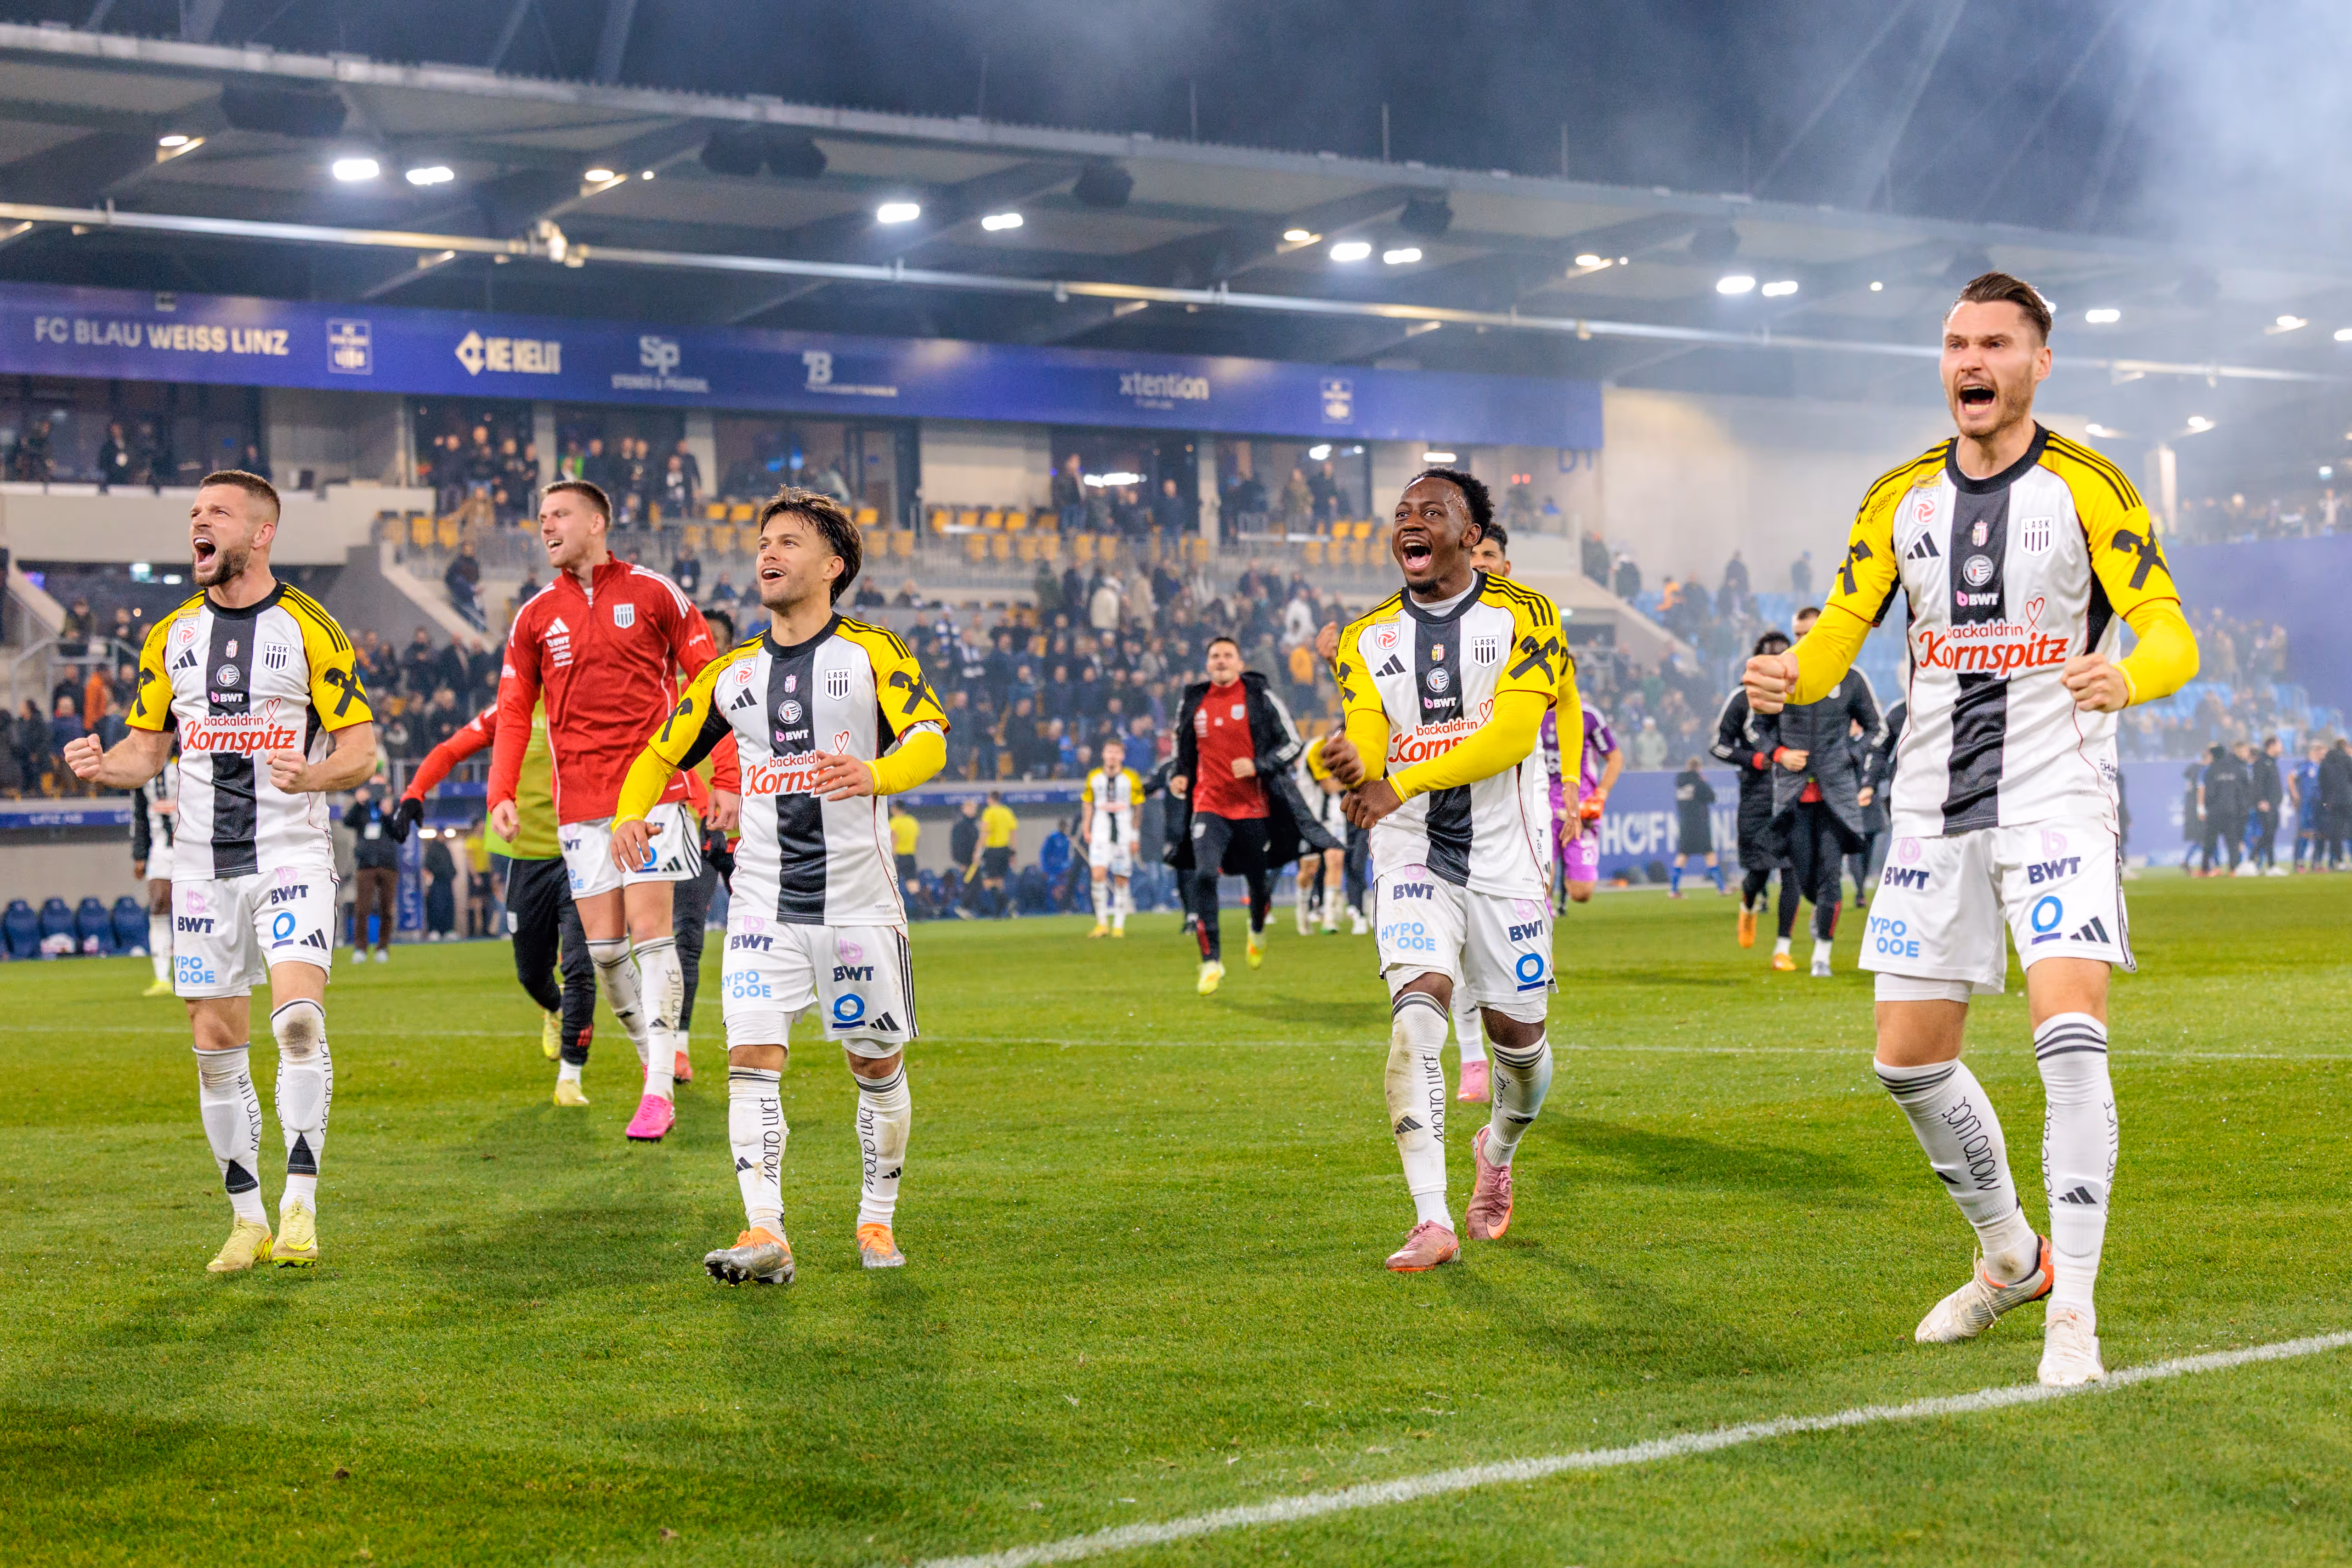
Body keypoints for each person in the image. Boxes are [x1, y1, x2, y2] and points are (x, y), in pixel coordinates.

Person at [1742, 270, 2199, 1386]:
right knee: (1906, 1061)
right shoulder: (1898, 498)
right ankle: (2010, 1256)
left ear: (2039, 362)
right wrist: (1787, 675)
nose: (1972, 362)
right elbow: (1838, 634)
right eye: (1957, 344)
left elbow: (2171, 632)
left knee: (2069, 1038)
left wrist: (2129, 675)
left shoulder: (2090, 486)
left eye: (1995, 343)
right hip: (1932, 806)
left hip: (2056, 797)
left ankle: (2073, 1313)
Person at [610, 486, 948, 1284]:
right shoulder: (730, 674)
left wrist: (874, 771)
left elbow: (930, 739)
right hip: (762, 903)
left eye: (789, 542)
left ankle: (875, 1216)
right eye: (764, 542)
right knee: (751, 1060)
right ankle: (765, 1229)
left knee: (875, 1066)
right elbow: (660, 752)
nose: (768, 552)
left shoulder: (872, 652)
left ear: (833, 566)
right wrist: (630, 814)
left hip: (858, 905)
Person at [63, 469, 377, 1274]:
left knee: (297, 1022)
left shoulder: (311, 627)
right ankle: (247, 1217)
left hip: (291, 853)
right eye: (195, 512)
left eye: (219, 513)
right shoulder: (169, 636)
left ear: (261, 533)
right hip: (202, 863)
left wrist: (314, 775)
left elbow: (361, 750)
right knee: (214, 1043)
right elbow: (146, 751)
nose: (199, 524)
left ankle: (300, 1204)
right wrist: (102, 764)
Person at [1319, 467, 1565, 1273]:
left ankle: (1495, 1150)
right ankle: (1430, 1218)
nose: (1409, 523)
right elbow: (1368, 737)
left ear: (1470, 534)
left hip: (1504, 856)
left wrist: (1397, 781)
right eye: (1400, 513)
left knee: (1518, 1046)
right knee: (1415, 1016)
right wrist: (1350, 763)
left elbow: (1512, 736)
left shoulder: (1526, 614)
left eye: (1431, 511)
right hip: (1410, 850)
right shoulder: (1365, 637)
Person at [488, 478, 739, 1144]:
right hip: (580, 806)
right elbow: (513, 711)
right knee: (603, 952)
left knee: (652, 934)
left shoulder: (655, 593)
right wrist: (500, 791)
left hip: (654, 792)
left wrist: (726, 775)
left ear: (596, 522)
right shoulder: (535, 616)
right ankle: (651, 1055)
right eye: (541, 516)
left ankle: (657, 1090)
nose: (546, 526)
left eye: (559, 514)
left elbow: (710, 685)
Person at [395, 697, 599, 1098]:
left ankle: (570, 1077)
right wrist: (415, 790)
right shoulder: (510, 709)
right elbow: (451, 750)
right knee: (530, 973)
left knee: (579, 965)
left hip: (581, 853)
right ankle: (555, 1009)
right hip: (527, 858)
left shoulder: (584, 696)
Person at [1166, 636, 1333, 995]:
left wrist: (1258, 765)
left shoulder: (1259, 696)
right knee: (1204, 874)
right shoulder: (1193, 701)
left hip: (1253, 806)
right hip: (1209, 804)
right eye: (1215, 655)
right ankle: (1210, 961)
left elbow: (1292, 743)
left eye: (1228, 655)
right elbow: (1182, 748)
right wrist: (1179, 775)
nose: (1221, 660)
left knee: (1258, 883)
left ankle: (1256, 927)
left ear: (1240, 664)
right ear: (1207, 664)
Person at [1747, 606, 1882, 976]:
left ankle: (1821, 955)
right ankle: (1813, 918)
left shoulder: (1850, 678)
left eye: (1809, 634)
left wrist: (1848, 755)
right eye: (1797, 635)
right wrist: (1780, 754)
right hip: (1792, 796)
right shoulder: (1779, 679)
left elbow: (1878, 729)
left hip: (1835, 796)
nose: (1802, 641)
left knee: (1830, 876)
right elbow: (1755, 729)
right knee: (1799, 875)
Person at [1081, 736, 1143, 937]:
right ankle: (1102, 924)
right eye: (1109, 752)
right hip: (1101, 831)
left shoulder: (1132, 778)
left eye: (1116, 753)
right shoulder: (1094, 777)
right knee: (1097, 875)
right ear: (1103, 755)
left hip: (1124, 832)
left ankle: (1118, 925)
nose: (1112, 756)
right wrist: (1087, 828)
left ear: (1122, 756)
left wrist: (1135, 836)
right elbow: (1088, 803)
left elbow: (1138, 808)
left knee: (1121, 879)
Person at [130, 753, 180, 996]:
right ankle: (162, 978)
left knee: (194, 907)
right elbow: (139, 815)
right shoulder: (143, 774)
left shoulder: (186, 763)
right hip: (160, 847)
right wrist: (139, 855)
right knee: (159, 903)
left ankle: (193, 970)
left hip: (191, 845)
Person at [345, 782, 401, 960]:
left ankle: (383, 948)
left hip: (388, 864)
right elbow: (347, 822)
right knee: (362, 908)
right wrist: (357, 803)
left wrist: (389, 815)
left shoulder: (394, 807)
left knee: (387, 909)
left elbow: (399, 832)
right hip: (366, 864)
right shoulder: (363, 809)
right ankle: (360, 949)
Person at [1669, 757, 1724, 897]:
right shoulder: (1699, 782)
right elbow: (1712, 797)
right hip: (1700, 824)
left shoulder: (1680, 782)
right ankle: (1721, 888)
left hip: (1685, 824)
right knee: (1709, 854)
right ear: (1699, 768)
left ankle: (1673, 890)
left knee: (1682, 855)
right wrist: (1704, 782)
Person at [2196, 741, 2248, 878]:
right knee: (2232, 842)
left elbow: (2210, 793)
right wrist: (2240, 808)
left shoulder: (2211, 770)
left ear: (2213, 756)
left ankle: (2204, 870)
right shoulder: (2234, 769)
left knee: (2209, 842)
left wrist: (2206, 808)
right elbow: (2240, 790)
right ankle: (2233, 870)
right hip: (2231, 810)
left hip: (2215, 811)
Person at [979, 791, 1018, 917]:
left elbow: (985, 833)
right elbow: (1013, 833)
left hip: (992, 850)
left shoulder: (989, 812)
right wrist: (1013, 853)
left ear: (990, 799)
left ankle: (1006, 902)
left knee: (987, 883)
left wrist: (978, 851)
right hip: (1005, 850)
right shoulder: (1007, 812)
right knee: (1000, 882)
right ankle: (999, 913)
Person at [2290, 737, 2327, 870]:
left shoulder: (2323, 767)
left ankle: (2317, 863)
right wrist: (2295, 794)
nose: (2324, 754)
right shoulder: (2306, 765)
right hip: (2307, 804)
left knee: (2321, 834)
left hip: (2320, 805)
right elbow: (2291, 777)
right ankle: (2299, 863)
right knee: (2305, 833)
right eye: (2322, 751)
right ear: (2315, 751)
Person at [2249, 736, 2284, 876]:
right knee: (2268, 834)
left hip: (2274, 804)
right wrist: (2261, 801)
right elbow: (2257, 783)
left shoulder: (2272, 762)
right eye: (2279, 745)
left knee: (2270, 836)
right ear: (2272, 746)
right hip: (2266, 805)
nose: (2281, 748)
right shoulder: (2262, 762)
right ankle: (2251, 860)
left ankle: (2271, 866)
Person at [948, 797, 980, 915]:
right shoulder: (961, 826)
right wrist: (961, 861)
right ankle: (964, 907)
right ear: (964, 809)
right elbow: (957, 845)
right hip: (966, 861)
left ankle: (967, 908)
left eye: (974, 808)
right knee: (970, 885)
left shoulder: (973, 826)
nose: (973, 811)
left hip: (974, 861)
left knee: (975, 885)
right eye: (971, 808)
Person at [890, 799, 921, 895]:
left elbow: (893, 839)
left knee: (894, 882)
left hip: (898, 856)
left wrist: (892, 855)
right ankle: (917, 901)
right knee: (913, 882)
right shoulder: (913, 821)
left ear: (895, 809)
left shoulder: (894, 822)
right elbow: (917, 839)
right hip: (910, 855)